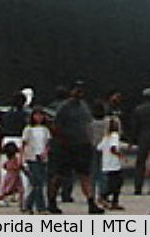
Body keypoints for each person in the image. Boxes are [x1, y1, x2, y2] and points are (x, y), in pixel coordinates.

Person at [47, 81, 104, 214]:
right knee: (59, 176)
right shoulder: (64, 107)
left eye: (81, 89)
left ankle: (91, 203)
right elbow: (55, 125)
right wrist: (61, 141)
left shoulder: (84, 106)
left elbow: (88, 124)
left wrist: (90, 140)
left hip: (82, 146)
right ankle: (51, 201)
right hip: (67, 146)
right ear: (71, 92)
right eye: (77, 89)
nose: (80, 92)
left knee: (85, 175)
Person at [21, 107, 51, 215]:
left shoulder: (45, 130)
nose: (38, 117)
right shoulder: (28, 129)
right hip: (31, 157)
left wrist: (45, 152)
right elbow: (23, 144)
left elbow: (48, 144)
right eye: (36, 115)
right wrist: (21, 159)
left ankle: (28, 205)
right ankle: (41, 207)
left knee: (38, 183)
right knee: (37, 182)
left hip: (42, 158)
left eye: (40, 115)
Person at [97, 116, 125, 210]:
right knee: (117, 184)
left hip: (106, 164)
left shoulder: (106, 137)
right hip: (114, 165)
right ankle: (107, 198)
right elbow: (113, 148)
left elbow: (99, 148)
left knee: (111, 183)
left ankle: (106, 198)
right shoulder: (115, 136)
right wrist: (120, 155)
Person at [0, 142, 24, 213]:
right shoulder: (15, 160)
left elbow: (4, 166)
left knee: (20, 191)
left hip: (11, 177)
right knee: (8, 192)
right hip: (13, 178)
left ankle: (22, 206)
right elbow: (19, 166)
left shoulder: (9, 160)